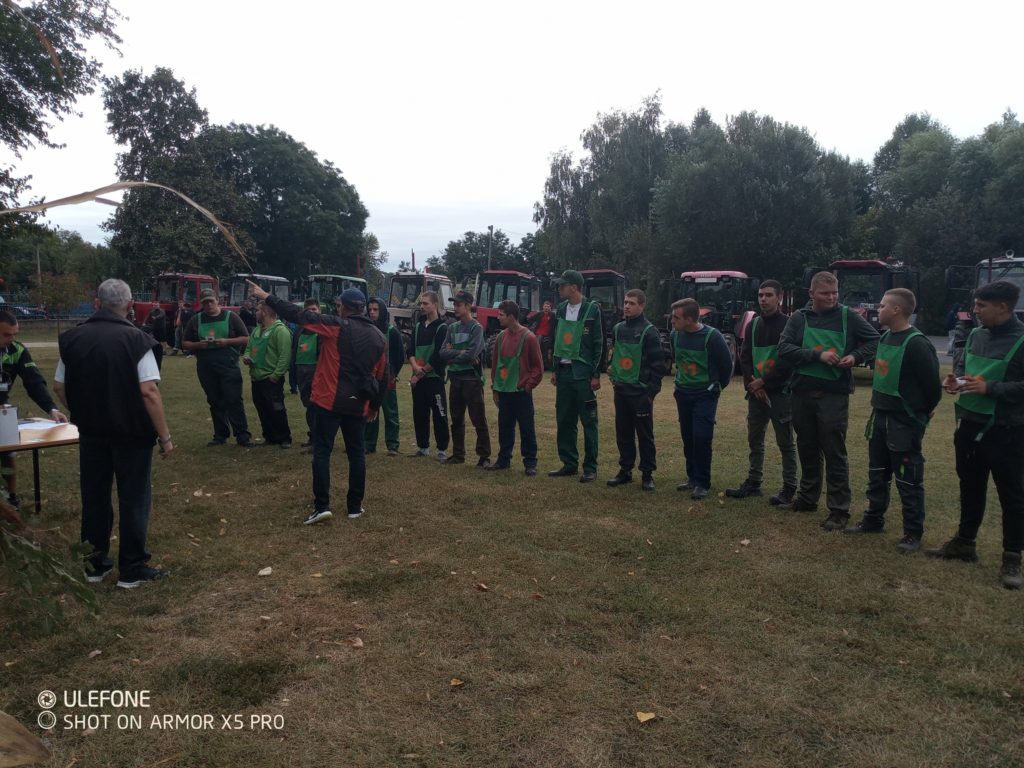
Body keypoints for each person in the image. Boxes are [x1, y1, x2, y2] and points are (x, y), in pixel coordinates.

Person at [52, 279, 173, 589]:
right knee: (134, 498)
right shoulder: (136, 340)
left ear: (97, 303)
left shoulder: (72, 338)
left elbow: (59, 387)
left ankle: (94, 564)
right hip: (131, 434)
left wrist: (84, 410)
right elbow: (149, 392)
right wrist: (165, 436)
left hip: (91, 432)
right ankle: (132, 568)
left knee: (94, 496)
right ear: (130, 305)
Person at [250, 283, 389, 525]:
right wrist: (374, 407)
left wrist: (266, 296)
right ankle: (355, 506)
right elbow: (382, 377)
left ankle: (322, 505)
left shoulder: (336, 326)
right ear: (363, 308)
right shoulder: (379, 336)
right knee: (356, 454)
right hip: (357, 404)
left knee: (322, 451)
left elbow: (298, 314)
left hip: (328, 401)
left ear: (343, 308)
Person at [929, 280, 1024, 589]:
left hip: (1007, 431)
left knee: (1012, 495)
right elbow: (967, 371)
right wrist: (954, 381)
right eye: (976, 304)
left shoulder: (1021, 340)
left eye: (982, 306)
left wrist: (991, 389)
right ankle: (965, 542)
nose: (976, 311)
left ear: (1004, 307)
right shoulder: (975, 336)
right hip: (969, 424)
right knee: (970, 486)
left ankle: (1012, 557)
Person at [777, 271, 879, 530]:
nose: (832, 297)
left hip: (834, 394)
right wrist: (816, 355)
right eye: (825, 293)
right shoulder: (799, 318)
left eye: (834, 293)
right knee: (807, 446)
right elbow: (784, 349)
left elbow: (875, 340)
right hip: (801, 393)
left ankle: (839, 510)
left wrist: (855, 357)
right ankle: (807, 498)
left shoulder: (849, 317)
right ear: (812, 294)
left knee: (834, 450)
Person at [841, 288, 940, 554]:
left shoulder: (918, 344)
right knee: (877, 474)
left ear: (896, 310)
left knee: (908, 478)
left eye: (883, 305)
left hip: (904, 422)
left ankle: (912, 533)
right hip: (880, 417)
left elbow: (932, 387)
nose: (879, 309)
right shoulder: (885, 337)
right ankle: (873, 520)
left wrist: (921, 414)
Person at [728, 279, 798, 504]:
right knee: (754, 439)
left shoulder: (789, 325)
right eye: (760, 295)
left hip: (779, 393)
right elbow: (745, 356)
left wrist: (763, 383)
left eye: (768, 295)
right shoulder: (753, 324)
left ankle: (789, 487)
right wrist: (751, 383)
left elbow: (788, 361)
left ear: (779, 298)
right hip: (756, 393)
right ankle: (753, 482)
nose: (763, 299)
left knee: (785, 442)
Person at [0, 309, 68, 510]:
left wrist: (52, 409)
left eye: (14, 335)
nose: (11, 339)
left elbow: (34, 382)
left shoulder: (17, 351)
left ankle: (11, 499)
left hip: (3, 411)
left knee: (8, 454)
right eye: (6, 335)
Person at [669, 298, 733, 500]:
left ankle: (702, 483)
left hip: (704, 395)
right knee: (688, 436)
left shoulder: (713, 337)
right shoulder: (674, 335)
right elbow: (676, 360)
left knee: (702, 437)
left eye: (676, 317)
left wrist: (716, 388)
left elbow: (726, 367)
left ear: (689, 319)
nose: (672, 321)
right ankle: (692, 478)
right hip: (683, 393)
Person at [548, 270, 604, 483]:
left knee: (589, 421)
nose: (559, 288)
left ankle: (590, 467)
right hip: (563, 373)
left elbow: (599, 342)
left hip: (582, 375)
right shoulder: (560, 309)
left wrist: (596, 374)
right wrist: (555, 369)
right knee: (564, 420)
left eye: (563, 285)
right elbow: (557, 340)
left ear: (574, 287)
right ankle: (569, 463)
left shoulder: (592, 309)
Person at [607, 289, 664, 491]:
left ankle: (647, 474)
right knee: (623, 433)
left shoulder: (650, 331)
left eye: (631, 303)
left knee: (644, 434)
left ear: (642, 306)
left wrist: (650, 392)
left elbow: (659, 365)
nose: (627, 306)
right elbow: (614, 355)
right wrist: (613, 375)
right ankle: (625, 471)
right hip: (621, 390)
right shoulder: (618, 329)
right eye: (625, 302)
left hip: (641, 393)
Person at [182, 289, 252, 447]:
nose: (208, 305)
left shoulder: (231, 317)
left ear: (217, 301)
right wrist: (198, 345)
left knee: (233, 399)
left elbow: (246, 338)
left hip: (228, 364)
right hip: (206, 365)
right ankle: (220, 435)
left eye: (211, 301)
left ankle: (242, 435)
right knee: (214, 400)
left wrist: (227, 342)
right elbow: (184, 343)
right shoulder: (196, 320)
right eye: (205, 302)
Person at [488, 299, 543, 474]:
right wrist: (495, 389)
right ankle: (503, 460)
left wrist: (528, 386)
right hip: (504, 391)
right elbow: (496, 365)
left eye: (501, 315)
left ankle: (530, 463)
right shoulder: (500, 337)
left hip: (521, 392)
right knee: (505, 428)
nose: (498, 318)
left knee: (527, 429)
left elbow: (538, 367)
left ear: (511, 316)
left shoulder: (529, 338)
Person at [439, 290, 491, 467]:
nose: (455, 308)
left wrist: (453, 355)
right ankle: (458, 454)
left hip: (472, 380)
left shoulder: (476, 328)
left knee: (478, 419)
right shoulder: (451, 328)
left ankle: (484, 457)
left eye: (458, 305)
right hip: (455, 379)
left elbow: (472, 353)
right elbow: (442, 352)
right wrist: (459, 354)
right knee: (456, 419)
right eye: (454, 304)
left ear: (468, 306)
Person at [243, 299, 293, 448]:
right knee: (262, 408)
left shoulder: (280, 330)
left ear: (264, 312)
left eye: (258, 310)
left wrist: (276, 375)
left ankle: (284, 437)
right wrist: (247, 357)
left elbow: (285, 356)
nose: (255, 313)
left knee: (276, 408)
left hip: (271, 378)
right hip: (257, 377)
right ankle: (270, 436)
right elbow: (249, 347)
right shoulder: (257, 330)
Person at [407, 291, 450, 460]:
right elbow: (410, 350)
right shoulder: (418, 326)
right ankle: (422, 447)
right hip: (418, 379)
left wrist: (421, 372)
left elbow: (439, 356)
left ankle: (442, 450)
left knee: (440, 414)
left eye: (426, 303)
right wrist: (415, 367)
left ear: (435, 305)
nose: (422, 306)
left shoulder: (442, 327)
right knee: (419, 414)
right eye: (421, 303)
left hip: (434, 379)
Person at [365, 297, 403, 456]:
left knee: (390, 412)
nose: (372, 313)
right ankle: (369, 444)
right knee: (370, 411)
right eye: (370, 309)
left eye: (376, 309)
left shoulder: (392, 331)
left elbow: (400, 356)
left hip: (387, 377)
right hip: (371, 377)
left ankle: (392, 445)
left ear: (382, 311)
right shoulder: (366, 329)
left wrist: (393, 373)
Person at [293, 298, 321, 449]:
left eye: (314, 310)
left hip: (316, 376)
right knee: (308, 408)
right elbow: (294, 353)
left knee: (316, 409)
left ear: (319, 311)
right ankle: (312, 436)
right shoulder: (299, 330)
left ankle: (317, 439)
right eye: (308, 310)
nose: (311, 313)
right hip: (301, 375)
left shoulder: (322, 332)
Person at [528, 299, 556, 370]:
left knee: (546, 348)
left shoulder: (553, 315)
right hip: (538, 333)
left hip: (548, 335)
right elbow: (530, 319)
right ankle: (535, 363)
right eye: (545, 306)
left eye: (548, 306)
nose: (546, 308)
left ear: (550, 308)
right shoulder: (539, 314)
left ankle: (545, 365)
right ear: (543, 307)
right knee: (538, 344)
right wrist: (532, 326)